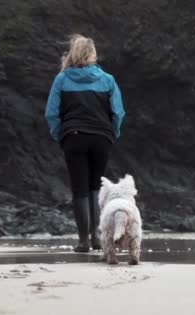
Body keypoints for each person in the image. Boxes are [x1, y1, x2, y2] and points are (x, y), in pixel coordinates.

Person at [44, 34, 126, 252]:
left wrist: (59, 135)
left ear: (73, 54)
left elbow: (51, 113)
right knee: (95, 188)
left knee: (80, 189)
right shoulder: (107, 80)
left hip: (74, 136)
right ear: (93, 54)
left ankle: (83, 241)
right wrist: (112, 133)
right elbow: (118, 112)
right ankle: (97, 238)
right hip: (101, 138)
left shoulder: (62, 79)